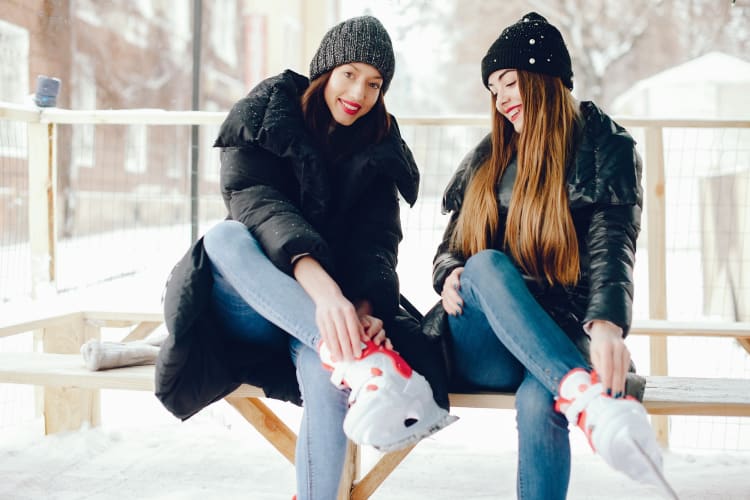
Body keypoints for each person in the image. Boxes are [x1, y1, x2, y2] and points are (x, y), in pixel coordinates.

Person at [154, 15, 454, 500]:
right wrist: (327, 294)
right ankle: (358, 360)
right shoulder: (267, 116)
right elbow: (258, 206)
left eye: (375, 83)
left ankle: (350, 369)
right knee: (225, 239)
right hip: (252, 309)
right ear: (325, 71)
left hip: (322, 324)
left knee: (329, 374)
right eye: (350, 73)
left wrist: (365, 309)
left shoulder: (379, 147)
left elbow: (376, 243)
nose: (359, 92)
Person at [429, 12, 671, 500]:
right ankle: (590, 401)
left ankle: (573, 389)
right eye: (494, 89)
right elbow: (453, 248)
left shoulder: (604, 147)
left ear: (546, 79)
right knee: (484, 264)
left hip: (558, 331)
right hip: (482, 340)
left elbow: (613, 242)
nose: (501, 100)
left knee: (542, 400)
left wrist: (606, 325)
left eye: (511, 83)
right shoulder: (488, 157)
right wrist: (449, 271)